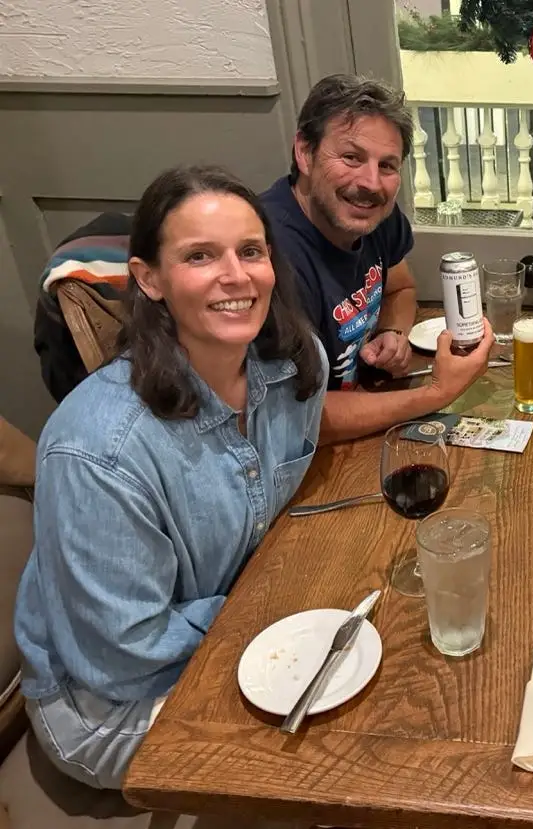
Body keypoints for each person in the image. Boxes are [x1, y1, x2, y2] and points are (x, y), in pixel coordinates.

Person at [13, 165, 328, 789]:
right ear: (149, 280)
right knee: (335, 749)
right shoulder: (97, 449)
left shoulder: (296, 369)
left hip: (226, 634)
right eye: (200, 256)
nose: (235, 276)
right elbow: (121, 657)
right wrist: (266, 612)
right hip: (106, 705)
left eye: (250, 251)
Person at [262, 74, 492, 444]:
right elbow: (296, 419)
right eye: (351, 157)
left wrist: (392, 331)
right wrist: (436, 393)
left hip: (364, 414)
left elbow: (401, 287)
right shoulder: (265, 258)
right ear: (304, 153)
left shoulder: (372, 214)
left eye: (387, 166)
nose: (371, 182)